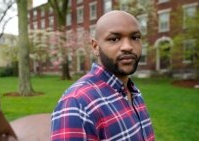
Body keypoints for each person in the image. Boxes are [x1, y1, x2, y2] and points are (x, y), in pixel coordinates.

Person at [51, 10, 155, 141]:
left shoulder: (134, 92)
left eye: (135, 37)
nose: (128, 47)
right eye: (114, 39)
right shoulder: (77, 104)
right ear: (95, 47)